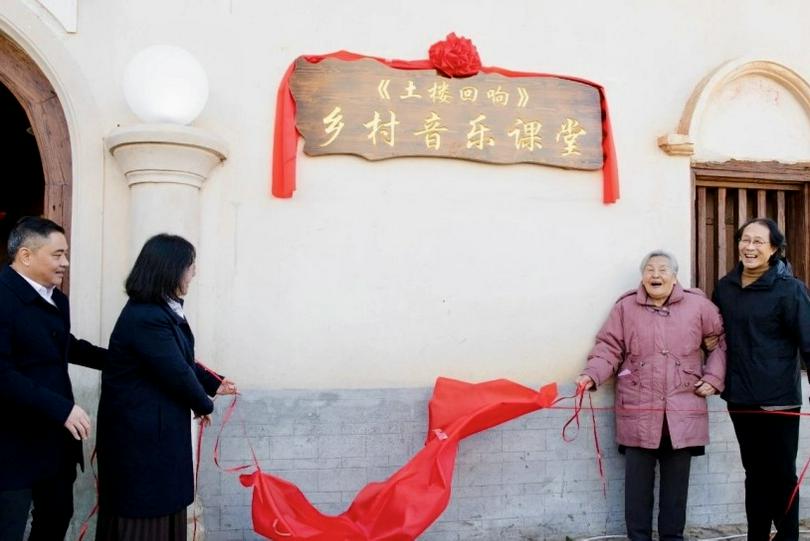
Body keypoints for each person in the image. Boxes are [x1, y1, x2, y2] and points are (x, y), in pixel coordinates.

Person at [576, 250, 726, 541]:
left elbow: (721, 341)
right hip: (638, 409)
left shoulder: (699, 305)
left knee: (675, 491)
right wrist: (591, 374)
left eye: (662, 270)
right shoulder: (626, 307)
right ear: (642, 276)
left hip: (683, 410)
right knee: (636, 489)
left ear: (675, 276)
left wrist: (714, 377)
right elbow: (609, 346)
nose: (655, 275)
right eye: (649, 270)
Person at [95, 234, 237, 541]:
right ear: (170, 269)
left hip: (154, 435)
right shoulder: (147, 316)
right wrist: (204, 404)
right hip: (141, 441)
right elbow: (175, 371)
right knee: (144, 515)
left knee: (163, 508)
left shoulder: (158, 311)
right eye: (190, 265)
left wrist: (213, 384)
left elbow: (179, 359)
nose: (194, 272)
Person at [0, 216, 106, 540]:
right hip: (11, 444)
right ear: (26, 255)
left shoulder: (57, 299)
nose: (66, 263)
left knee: (57, 517)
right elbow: (3, 373)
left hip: (55, 443)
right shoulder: (3, 298)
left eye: (66, 254)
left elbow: (65, 345)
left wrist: (123, 361)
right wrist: (62, 408)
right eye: (57, 255)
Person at [712, 218, 810, 541]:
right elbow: (717, 336)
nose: (749, 247)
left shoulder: (790, 290)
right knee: (754, 474)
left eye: (758, 242)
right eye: (745, 240)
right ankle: (757, 535)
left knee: (781, 476)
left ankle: (788, 536)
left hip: (779, 398)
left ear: (773, 250)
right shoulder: (725, 287)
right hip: (740, 398)